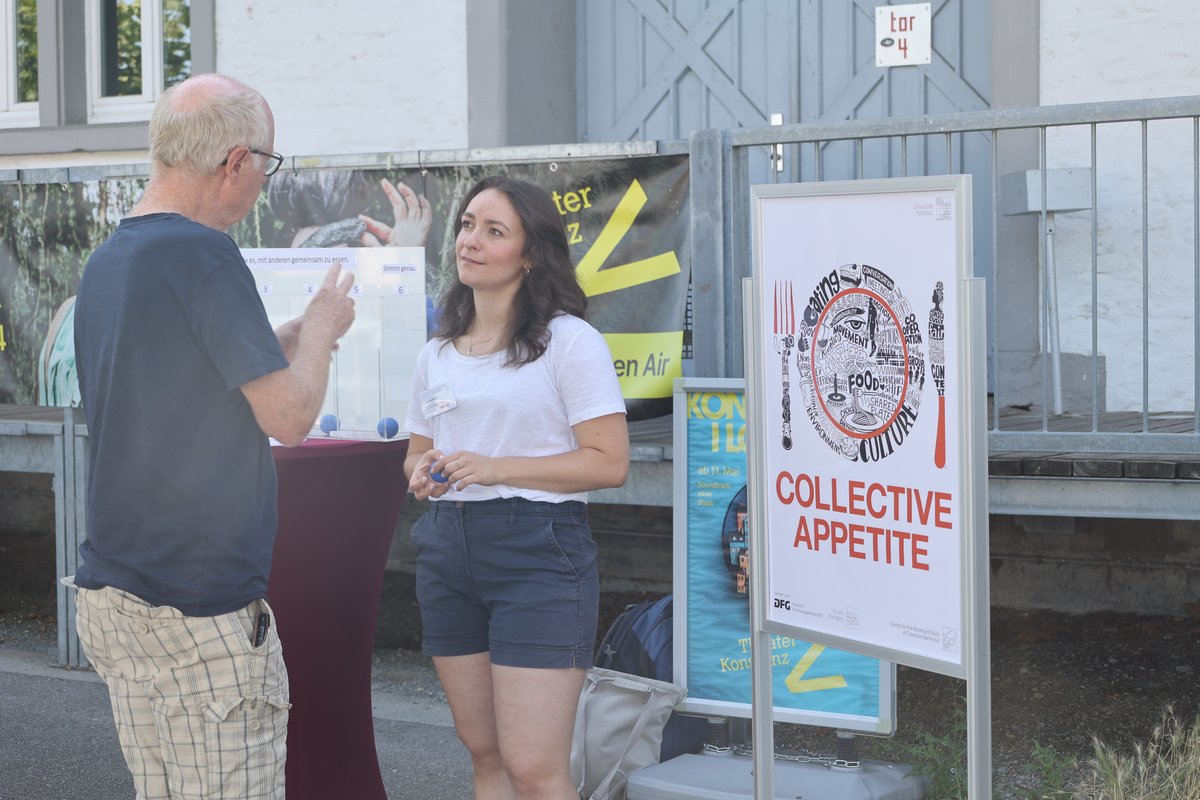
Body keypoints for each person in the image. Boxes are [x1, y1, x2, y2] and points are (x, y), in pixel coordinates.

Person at [70, 73, 356, 799]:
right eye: (268, 164)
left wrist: (279, 339)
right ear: (235, 161)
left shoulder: (111, 260)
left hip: (115, 589)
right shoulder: (203, 252)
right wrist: (321, 328)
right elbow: (289, 420)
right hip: (198, 600)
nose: (263, 181)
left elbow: (178, 383)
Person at [403, 175, 629, 799]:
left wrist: (498, 467)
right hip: (448, 550)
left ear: (530, 256)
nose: (470, 241)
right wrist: (420, 474)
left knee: (534, 768)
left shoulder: (569, 343)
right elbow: (417, 452)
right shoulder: (438, 351)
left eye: (494, 231)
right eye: (468, 224)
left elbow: (609, 463)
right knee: (486, 756)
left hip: (539, 553)